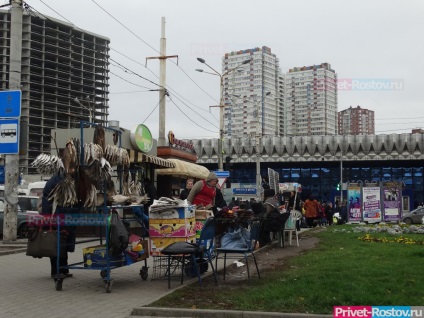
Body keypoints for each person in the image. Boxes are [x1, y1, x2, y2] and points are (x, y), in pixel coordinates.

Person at [41, 174, 76, 278]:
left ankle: (64, 269)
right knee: (56, 246)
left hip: (64, 218)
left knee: (63, 245)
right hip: (56, 218)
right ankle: (56, 271)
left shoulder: (65, 178)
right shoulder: (55, 181)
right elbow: (47, 201)